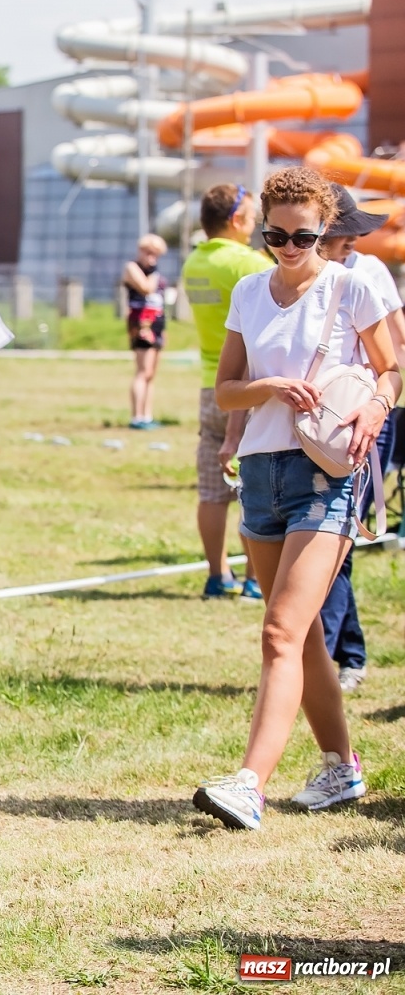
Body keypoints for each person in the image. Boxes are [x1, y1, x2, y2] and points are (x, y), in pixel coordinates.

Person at [193, 166, 400, 831]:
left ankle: (249, 784)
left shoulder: (350, 286)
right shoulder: (249, 292)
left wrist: (375, 408)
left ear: (324, 230)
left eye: (303, 236)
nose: (288, 247)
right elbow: (227, 390)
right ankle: (341, 766)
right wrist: (269, 388)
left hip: (325, 476)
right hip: (261, 475)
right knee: (302, 634)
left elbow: (391, 369)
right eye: (276, 236)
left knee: (280, 631)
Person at [312, 183, 405, 692]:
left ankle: (327, 662)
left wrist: (382, 403)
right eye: (344, 238)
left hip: (366, 418)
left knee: (338, 540)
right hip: (316, 423)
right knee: (333, 540)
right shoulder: (297, 275)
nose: (352, 246)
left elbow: (396, 344)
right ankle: (347, 656)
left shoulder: (368, 272)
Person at [181, 185, 270, 601]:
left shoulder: (193, 263)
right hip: (247, 383)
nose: (255, 226)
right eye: (252, 218)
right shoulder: (249, 263)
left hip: (208, 383)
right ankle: (255, 578)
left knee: (211, 490)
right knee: (258, 486)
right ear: (236, 220)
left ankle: (217, 576)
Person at [121, 233, 170, 430]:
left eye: (156, 254)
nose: (152, 258)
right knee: (142, 371)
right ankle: (136, 416)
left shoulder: (153, 271)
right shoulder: (132, 267)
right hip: (141, 324)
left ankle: (147, 415)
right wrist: (154, 274)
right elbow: (146, 288)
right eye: (149, 253)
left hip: (156, 323)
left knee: (151, 374)